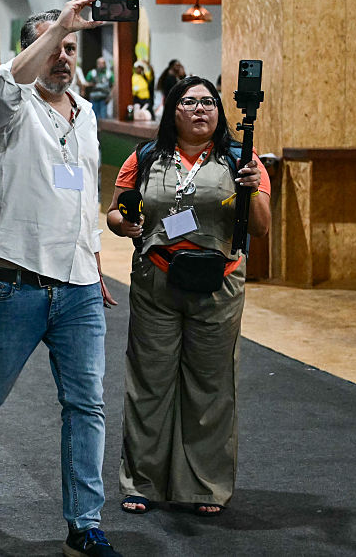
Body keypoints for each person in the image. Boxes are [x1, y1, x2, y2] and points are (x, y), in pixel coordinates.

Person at [0, 0, 123, 557]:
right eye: (53, 46)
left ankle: (84, 524)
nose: (63, 57)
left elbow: (84, 193)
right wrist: (57, 25)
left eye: (70, 47)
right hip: (13, 282)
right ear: (30, 52)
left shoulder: (86, 114)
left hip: (79, 288)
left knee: (86, 405)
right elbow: (6, 87)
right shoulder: (6, 107)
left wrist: (91, 258)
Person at [106, 76, 270, 518]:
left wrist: (252, 188)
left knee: (211, 386)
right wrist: (123, 224)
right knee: (149, 382)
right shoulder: (147, 157)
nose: (201, 109)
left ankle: (204, 486)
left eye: (209, 102)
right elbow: (118, 209)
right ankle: (141, 481)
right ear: (172, 109)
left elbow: (260, 228)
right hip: (157, 282)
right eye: (189, 101)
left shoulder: (241, 158)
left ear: (219, 111)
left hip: (219, 285)